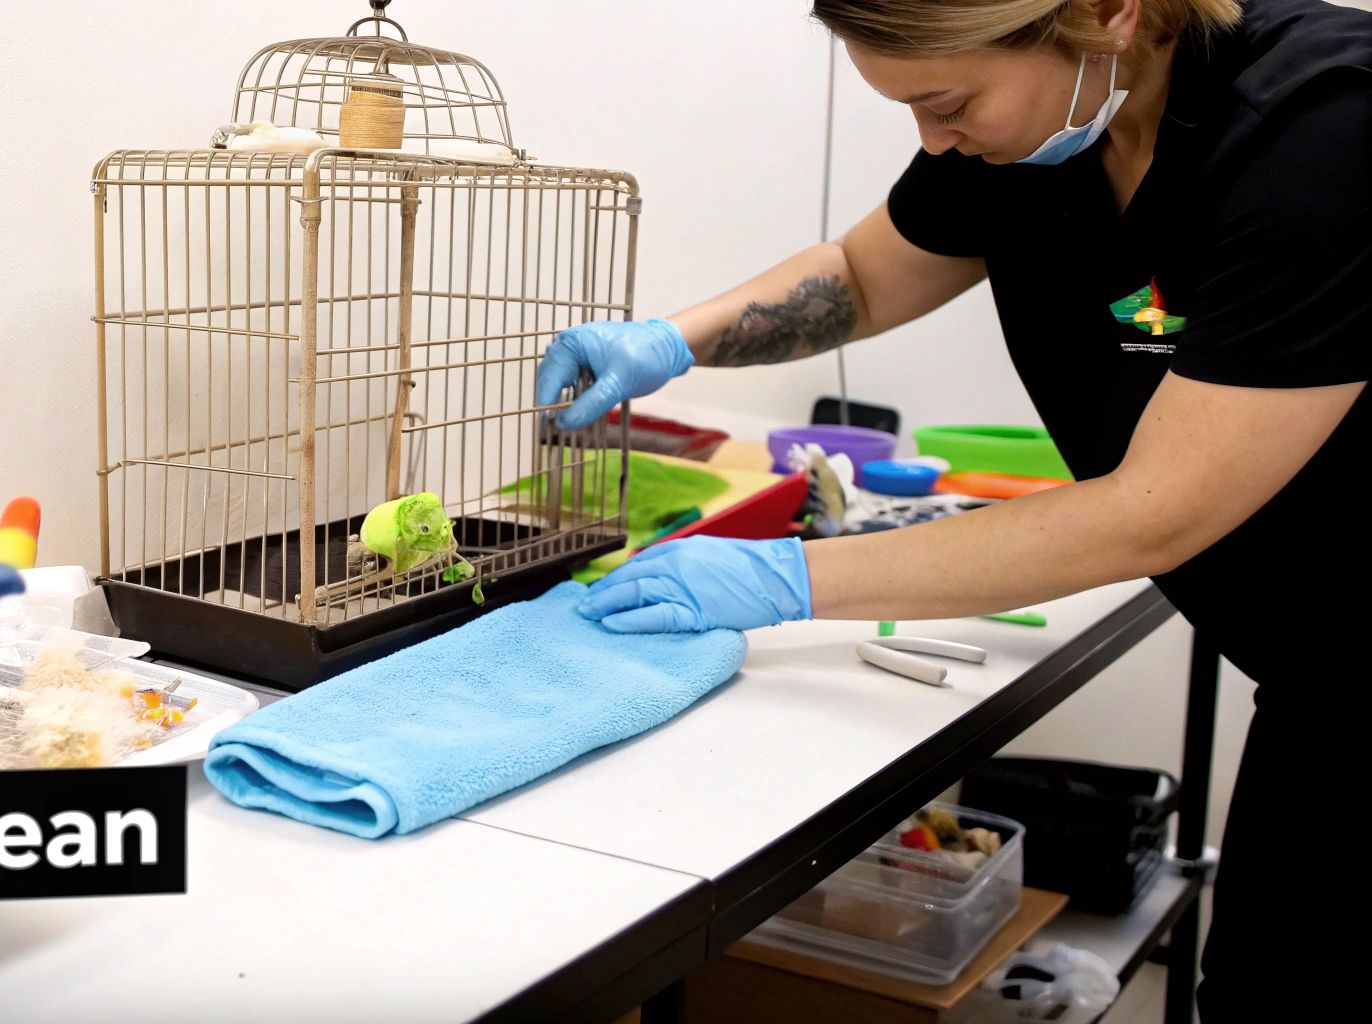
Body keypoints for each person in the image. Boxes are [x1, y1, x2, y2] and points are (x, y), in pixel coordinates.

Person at [535, 0, 1369, 1015]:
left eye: (945, 102)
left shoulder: (1326, 128)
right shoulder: (1039, 135)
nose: (933, 142)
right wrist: (674, 338)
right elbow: (861, 275)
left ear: (1106, 14)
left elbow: (1155, 510)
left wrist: (783, 574)